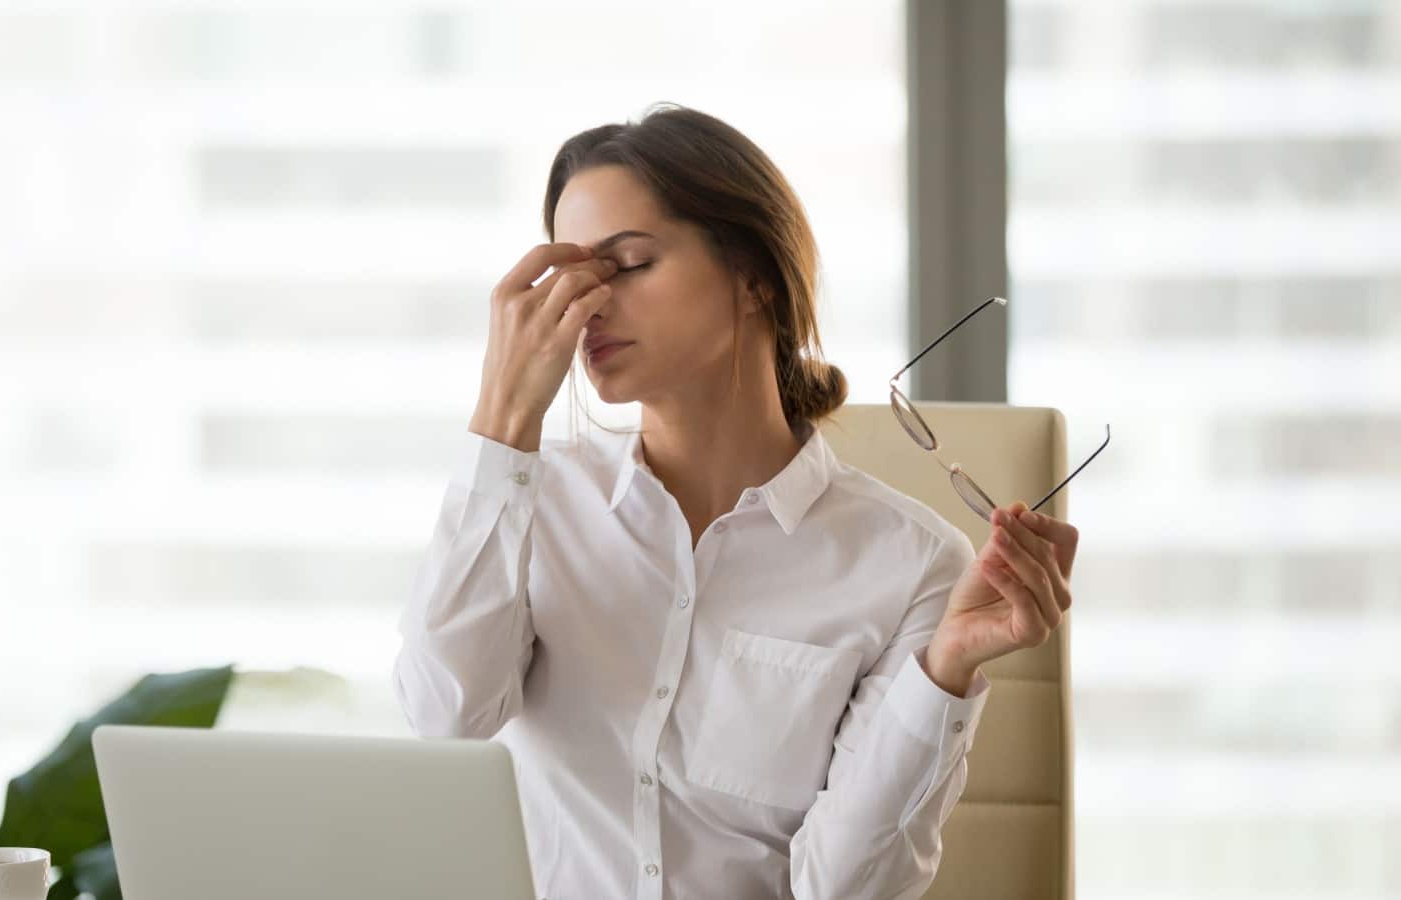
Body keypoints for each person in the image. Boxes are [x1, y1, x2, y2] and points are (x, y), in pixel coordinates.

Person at [391, 103, 1078, 900]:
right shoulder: (524, 502)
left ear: (754, 276)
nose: (587, 309)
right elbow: (447, 719)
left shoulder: (912, 563)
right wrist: (503, 421)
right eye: (571, 278)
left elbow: (844, 889)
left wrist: (943, 674)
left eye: (628, 265)